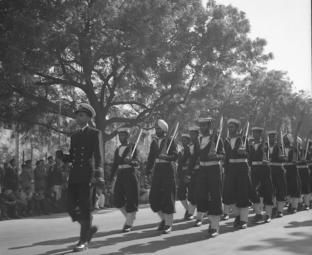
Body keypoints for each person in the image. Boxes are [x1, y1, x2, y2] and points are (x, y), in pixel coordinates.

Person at [67, 103, 104, 252]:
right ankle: (87, 229)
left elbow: (98, 155)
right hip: (74, 174)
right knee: (69, 206)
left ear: (88, 118)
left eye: (81, 115)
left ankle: (83, 240)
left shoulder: (94, 133)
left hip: (87, 175)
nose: (78, 117)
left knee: (84, 208)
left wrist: (98, 174)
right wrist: (63, 157)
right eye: (77, 115)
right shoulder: (74, 135)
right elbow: (72, 156)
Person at [146, 119, 178, 234]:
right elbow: (150, 158)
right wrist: (147, 171)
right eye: (156, 128)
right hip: (157, 169)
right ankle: (164, 220)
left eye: (158, 128)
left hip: (168, 170)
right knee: (153, 198)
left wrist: (167, 157)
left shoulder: (170, 140)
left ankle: (169, 224)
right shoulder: (154, 142)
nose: (156, 130)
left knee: (168, 197)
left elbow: (175, 156)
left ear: (164, 129)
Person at [194, 116, 224, 237]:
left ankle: (215, 226)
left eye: (204, 125)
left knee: (215, 197)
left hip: (214, 169)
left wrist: (216, 156)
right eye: (200, 125)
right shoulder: (199, 139)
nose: (202, 127)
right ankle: (211, 219)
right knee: (201, 196)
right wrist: (189, 171)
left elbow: (223, 155)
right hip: (202, 170)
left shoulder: (216, 138)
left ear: (209, 126)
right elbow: (194, 156)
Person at [223, 119, 254, 229]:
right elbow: (226, 157)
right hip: (231, 169)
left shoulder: (244, 139)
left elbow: (250, 155)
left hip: (242, 169)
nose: (230, 129)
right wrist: (225, 170)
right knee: (228, 195)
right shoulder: (226, 140)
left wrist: (244, 153)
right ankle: (237, 215)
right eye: (229, 127)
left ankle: (243, 220)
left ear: (237, 128)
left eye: (232, 127)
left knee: (243, 194)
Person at [110, 127, 139, 232]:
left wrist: (131, 161)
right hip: (120, 174)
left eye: (123, 135)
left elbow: (137, 163)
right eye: (119, 135)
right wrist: (110, 178)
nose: (121, 137)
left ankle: (129, 224)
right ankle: (130, 217)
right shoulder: (118, 149)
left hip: (130, 174)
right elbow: (114, 165)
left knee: (131, 198)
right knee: (117, 200)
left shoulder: (133, 147)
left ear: (127, 136)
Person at [249, 127, 274, 223]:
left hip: (264, 169)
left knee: (268, 191)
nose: (255, 134)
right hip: (254, 170)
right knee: (251, 189)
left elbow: (269, 156)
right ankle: (258, 213)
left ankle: (268, 215)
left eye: (257, 133)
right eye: (253, 133)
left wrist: (267, 160)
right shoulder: (251, 145)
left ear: (260, 134)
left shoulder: (266, 144)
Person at [267, 131, 287, 217]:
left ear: (275, 139)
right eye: (270, 137)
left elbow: (285, 159)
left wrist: (282, 158)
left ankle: (280, 210)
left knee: (280, 190)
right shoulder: (266, 147)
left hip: (279, 170)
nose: (271, 139)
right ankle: (274, 207)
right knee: (272, 190)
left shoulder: (280, 147)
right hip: (270, 170)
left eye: (273, 138)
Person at [283, 133, 301, 214]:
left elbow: (297, 159)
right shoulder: (282, 149)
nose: (284, 140)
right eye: (284, 139)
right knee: (288, 188)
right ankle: (290, 204)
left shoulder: (294, 149)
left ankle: (295, 206)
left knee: (295, 188)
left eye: (286, 139)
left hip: (293, 170)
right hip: (285, 170)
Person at [176, 133, 192, 220]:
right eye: (182, 140)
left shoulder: (191, 150)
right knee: (181, 194)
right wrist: (178, 175)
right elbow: (179, 164)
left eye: (185, 140)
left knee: (192, 195)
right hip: (182, 174)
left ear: (189, 141)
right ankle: (188, 210)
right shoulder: (181, 151)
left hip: (190, 174)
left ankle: (193, 212)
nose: (183, 142)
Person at [186, 125, 200, 220]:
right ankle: (190, 212)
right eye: (190, 134)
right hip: (192, 171)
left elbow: (197, 157)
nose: (192, 135)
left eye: (193, 134)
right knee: (191, 192)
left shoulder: (199, 143)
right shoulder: (191, 144)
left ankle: (200, 213)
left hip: (199, 170)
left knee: (198, 192)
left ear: (197, 134)